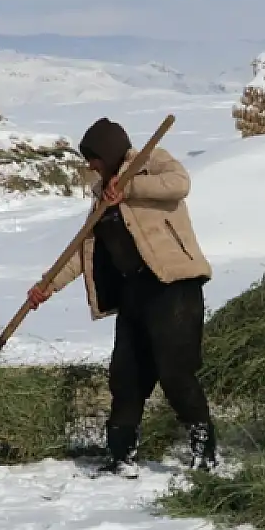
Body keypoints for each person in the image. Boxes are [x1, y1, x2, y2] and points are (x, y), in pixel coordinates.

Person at [25, 118, 217, 476]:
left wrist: (129, 189)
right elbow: (84, 250)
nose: (91, 166)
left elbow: (180, 184)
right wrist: (45, 287)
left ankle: (204, 450)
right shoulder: (101, 195)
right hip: (135, 295)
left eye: (95, 158)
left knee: (176, 373)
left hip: (175, 287)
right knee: (126, 376)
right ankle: (121, 454)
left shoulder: (151, 161)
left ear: (110, 152)